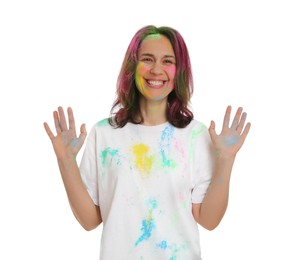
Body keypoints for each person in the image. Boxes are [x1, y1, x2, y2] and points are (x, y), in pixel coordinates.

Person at [44, 25, 251, 260]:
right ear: (133, 68)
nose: (156, 70)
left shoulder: (196, 136)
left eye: (167, 61)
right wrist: (65, 160)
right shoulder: (105, 134)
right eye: (147, 59)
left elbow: (209, 220)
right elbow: (90, 220)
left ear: (179, 71)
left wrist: (226, 158)